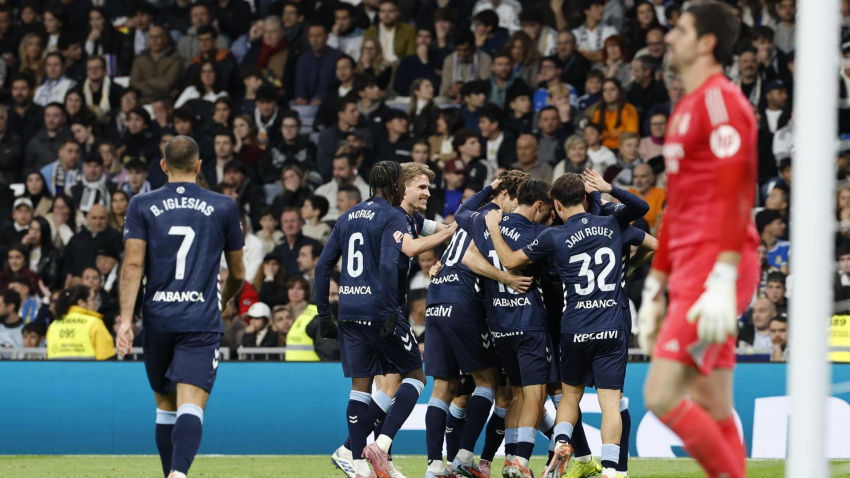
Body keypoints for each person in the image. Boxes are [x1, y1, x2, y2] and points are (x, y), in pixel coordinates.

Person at [636, 6, 761, 478]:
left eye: (681, 30)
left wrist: (724, 277)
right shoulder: (685, 108)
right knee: (713, 405)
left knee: (661, 396)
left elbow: (737, 196)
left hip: (718, 266)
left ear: (706, 42)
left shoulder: (721, 103)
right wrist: (654, 289)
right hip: (689, 269)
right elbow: (676, 209)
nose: (670, 38)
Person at [486, 172, 648, 478]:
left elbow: (510, 262)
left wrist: (495, 230)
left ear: (556, 205)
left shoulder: (552, 236)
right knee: (610, 401)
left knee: (570, 395)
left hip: (574, 328)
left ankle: (561, 441)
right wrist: (607, 188)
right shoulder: (611, 224)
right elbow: (641, 208)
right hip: (612, 326)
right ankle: (611, 471)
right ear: (585, 199)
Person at [116, 135, 245, 478]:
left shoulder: (140, 205)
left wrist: (126, 320)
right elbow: (238, 273)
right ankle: (179, 473)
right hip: (200, 318)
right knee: (191, 402)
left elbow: (132, 266)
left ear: (162, 166)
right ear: (199, 166)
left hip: (157, 319)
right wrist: (226, 297)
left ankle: (170, 474)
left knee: (164, 405)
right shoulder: (224, 205)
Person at [45, 285, 114, 360]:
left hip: (58, 371)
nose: (96, 303)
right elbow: (107, 359)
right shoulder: (94, 323)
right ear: (81, 302)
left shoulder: (54, 325)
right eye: (93, 299)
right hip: (89, 371)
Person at [130, 26, 184, 105]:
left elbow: (167, 85)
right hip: (142, 103)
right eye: (151, 37)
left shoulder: (175, 59)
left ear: (165, 39)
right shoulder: (140, 59)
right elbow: (134, 86)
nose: (154, 40)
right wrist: (160, 89)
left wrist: (146, 83)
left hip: (165, 104)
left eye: (157, 37)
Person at [588, 78, 639, 150]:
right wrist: (615, 133)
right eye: (605, 90)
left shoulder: (629, 110)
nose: (608, 93)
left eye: (612, 89)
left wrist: (606, 134)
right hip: (602, 150)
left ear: (619, 92)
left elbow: (631, 136)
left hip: (623, 150)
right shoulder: (598, 111)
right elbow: (594, 135)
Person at [628, 164, 666, 229]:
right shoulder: (628, 193)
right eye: (635, 177)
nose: (638, 181)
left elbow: (660, 221)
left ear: (652, 178)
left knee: (641, 222)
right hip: (628, 232)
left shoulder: (661, 193)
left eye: (643, 176)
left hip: (650, 233)